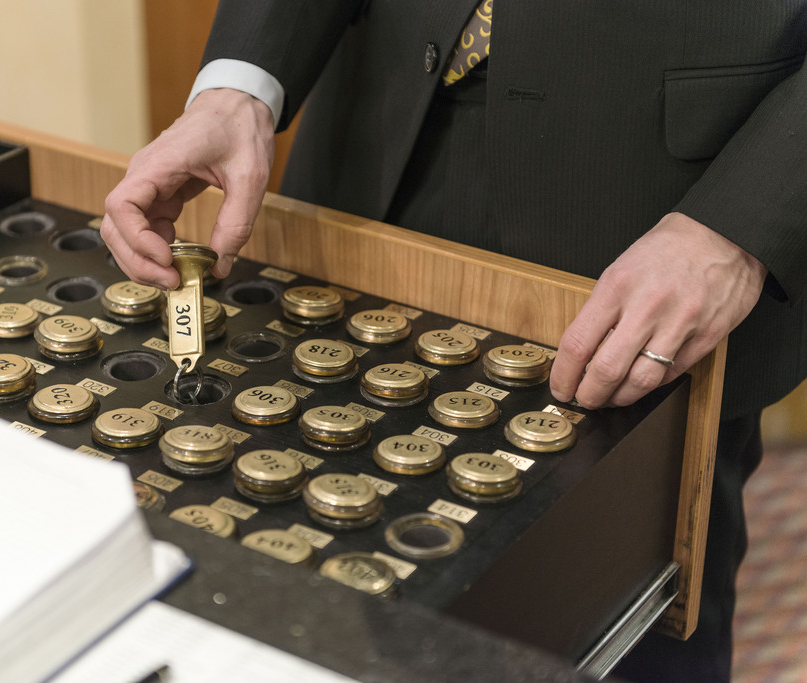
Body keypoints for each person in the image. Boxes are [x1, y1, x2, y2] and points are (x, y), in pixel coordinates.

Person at [102, 2, 807, 680]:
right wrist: (237, 87)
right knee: (335, 608)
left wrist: (741, 224)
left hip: (662, 213)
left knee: (620, 627)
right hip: (374, 150)